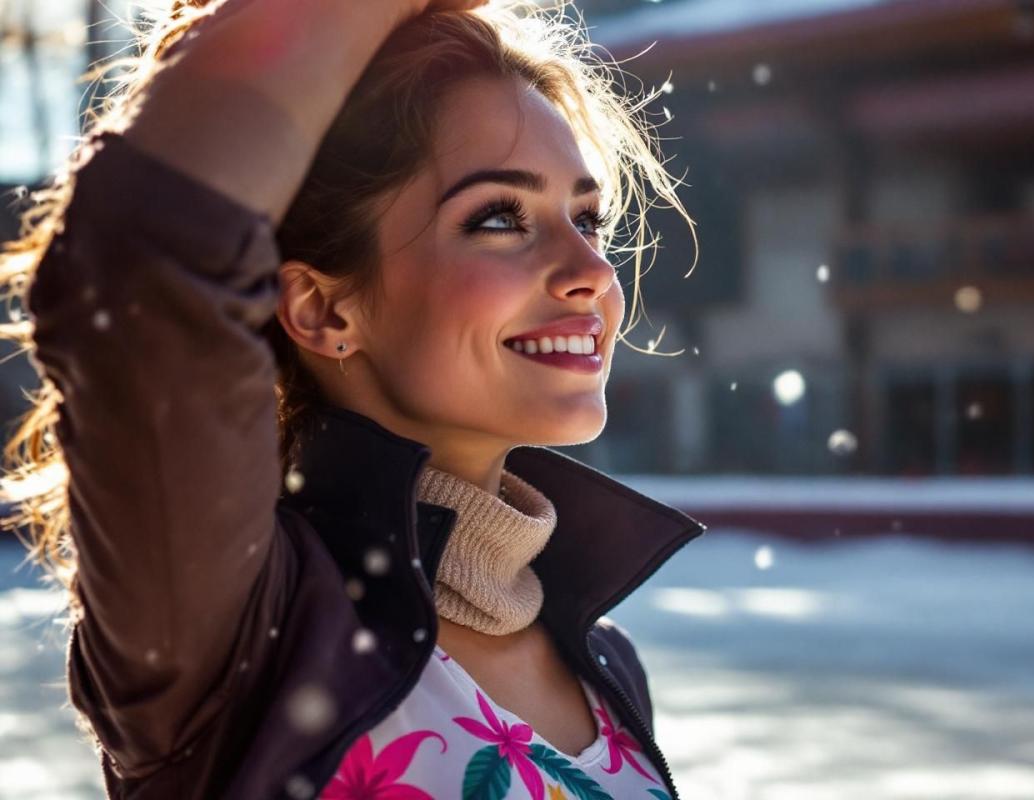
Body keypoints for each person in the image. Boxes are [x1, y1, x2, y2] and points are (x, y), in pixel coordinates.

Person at [0, 0, 704, 796]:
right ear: (323, 310)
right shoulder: (247, 626)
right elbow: (140, 264)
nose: (593, 271)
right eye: (501, 217)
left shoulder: (605, 660)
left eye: (588, 218)